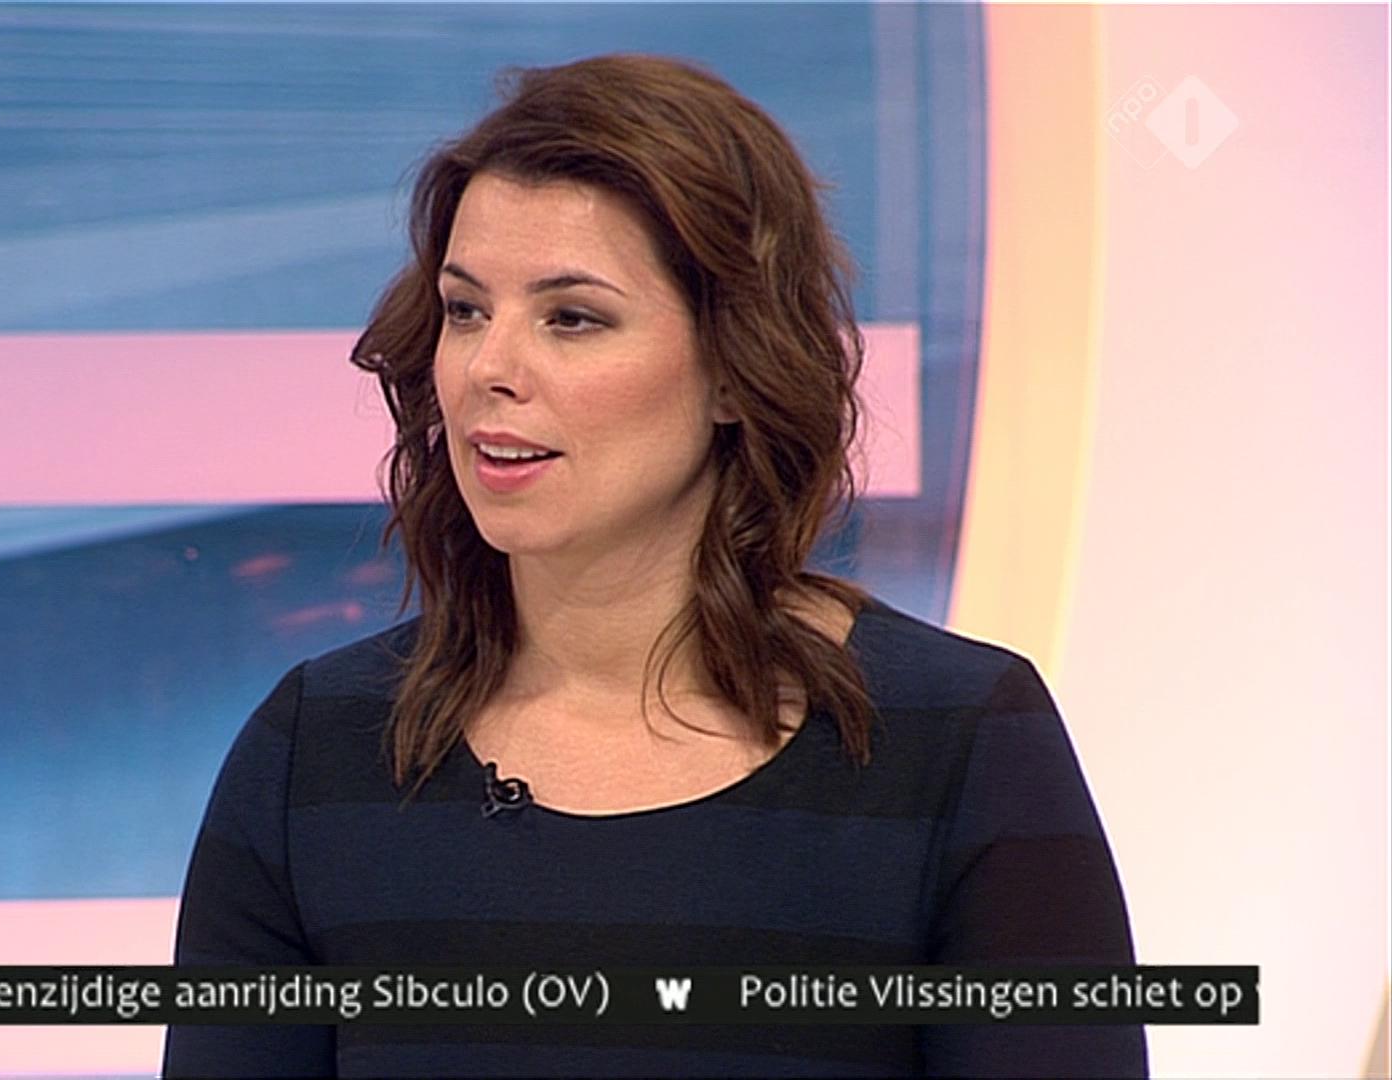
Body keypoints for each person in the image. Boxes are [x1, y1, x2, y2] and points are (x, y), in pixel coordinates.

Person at [162, 54, 1145, 1079]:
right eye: (465, 310)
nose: (490, 368)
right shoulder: (314, 755)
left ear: (735, 368)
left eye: (572, 318)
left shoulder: (957, 743)